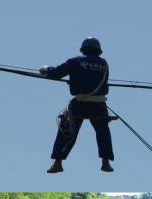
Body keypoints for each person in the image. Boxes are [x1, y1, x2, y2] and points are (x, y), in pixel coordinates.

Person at [39, 37, 114, 173]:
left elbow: (57, 73)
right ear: (98, 51)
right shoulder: (104, 64)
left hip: (80, 103)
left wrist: (45, 70)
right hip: (98, 104)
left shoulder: (76, 61)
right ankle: (106, 162)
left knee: (66, 128)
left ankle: (57, 163)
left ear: (83, 49)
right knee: (103, 131)